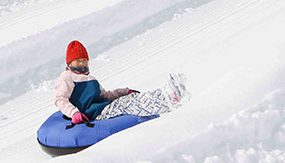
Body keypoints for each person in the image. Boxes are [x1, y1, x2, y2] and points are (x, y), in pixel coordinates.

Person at [55, 40, 189, 124]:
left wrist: (124, 92)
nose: (82, 63)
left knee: (130, 98)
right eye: (78, 60)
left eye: (84, 60)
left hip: (104, 107)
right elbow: (60, 99)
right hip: (93, 114)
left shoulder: (91, 79)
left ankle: (167, 94)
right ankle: (168, 99)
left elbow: (106, 95)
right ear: (69, 62)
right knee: (124, 104)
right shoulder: (67, 77)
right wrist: (74, 113)